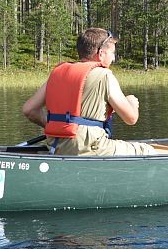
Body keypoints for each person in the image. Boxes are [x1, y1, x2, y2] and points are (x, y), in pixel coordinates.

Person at [21, 27, 155, 156]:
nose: (113, 59)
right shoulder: (104, 75)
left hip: (56, 147)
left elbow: (29, 110)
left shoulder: (58, 73)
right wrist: (131, 102)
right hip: (91, 148)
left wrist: (60, 126)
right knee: (147, 150)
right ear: (101, 53)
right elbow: (131, 118)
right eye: (112, 53)